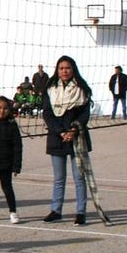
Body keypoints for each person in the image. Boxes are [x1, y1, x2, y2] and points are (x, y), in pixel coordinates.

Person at [42, 55, 91, 225]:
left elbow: (85, 114)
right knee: (59, 178)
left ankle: (81, 212)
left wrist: (73, 130)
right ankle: (56, 210)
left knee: (79, 177)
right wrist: (61, 132)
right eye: (61, 68)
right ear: (57, 70)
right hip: (57, 137)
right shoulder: (50, 88)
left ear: (73, 69)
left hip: (77, 137)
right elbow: (47, 113)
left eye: (67, 68)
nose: (64, 71)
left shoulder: (82, 88)